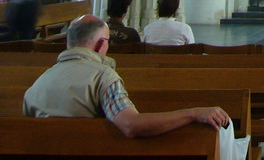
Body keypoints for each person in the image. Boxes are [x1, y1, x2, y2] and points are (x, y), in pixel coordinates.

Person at [23, 14, 227, 135]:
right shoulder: (103, 77)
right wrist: (192, 113)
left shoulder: (38, 83)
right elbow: (130, 125)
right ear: (102, 45)